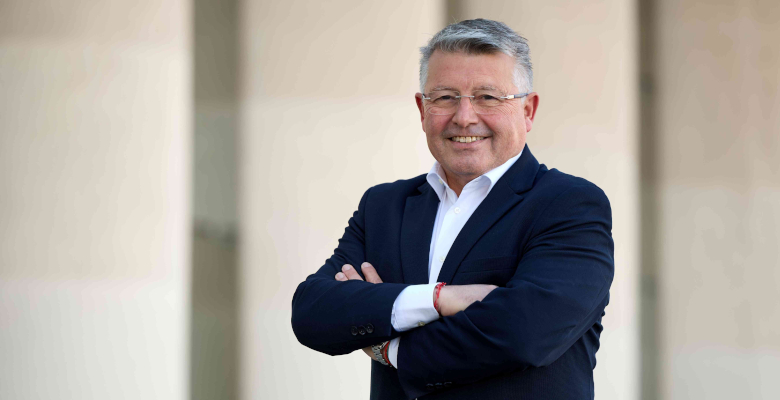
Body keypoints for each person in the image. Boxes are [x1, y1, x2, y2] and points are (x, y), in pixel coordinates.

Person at [292, 18, 614, 400]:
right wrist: (439, 299)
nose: (464, 116)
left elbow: (526, 331)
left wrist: (391, 347)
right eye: (445, 97)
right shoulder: (383, 207)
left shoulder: (569, 205)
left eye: (488, 97)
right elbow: (312, 312)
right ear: (422, 108)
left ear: (528, 110)